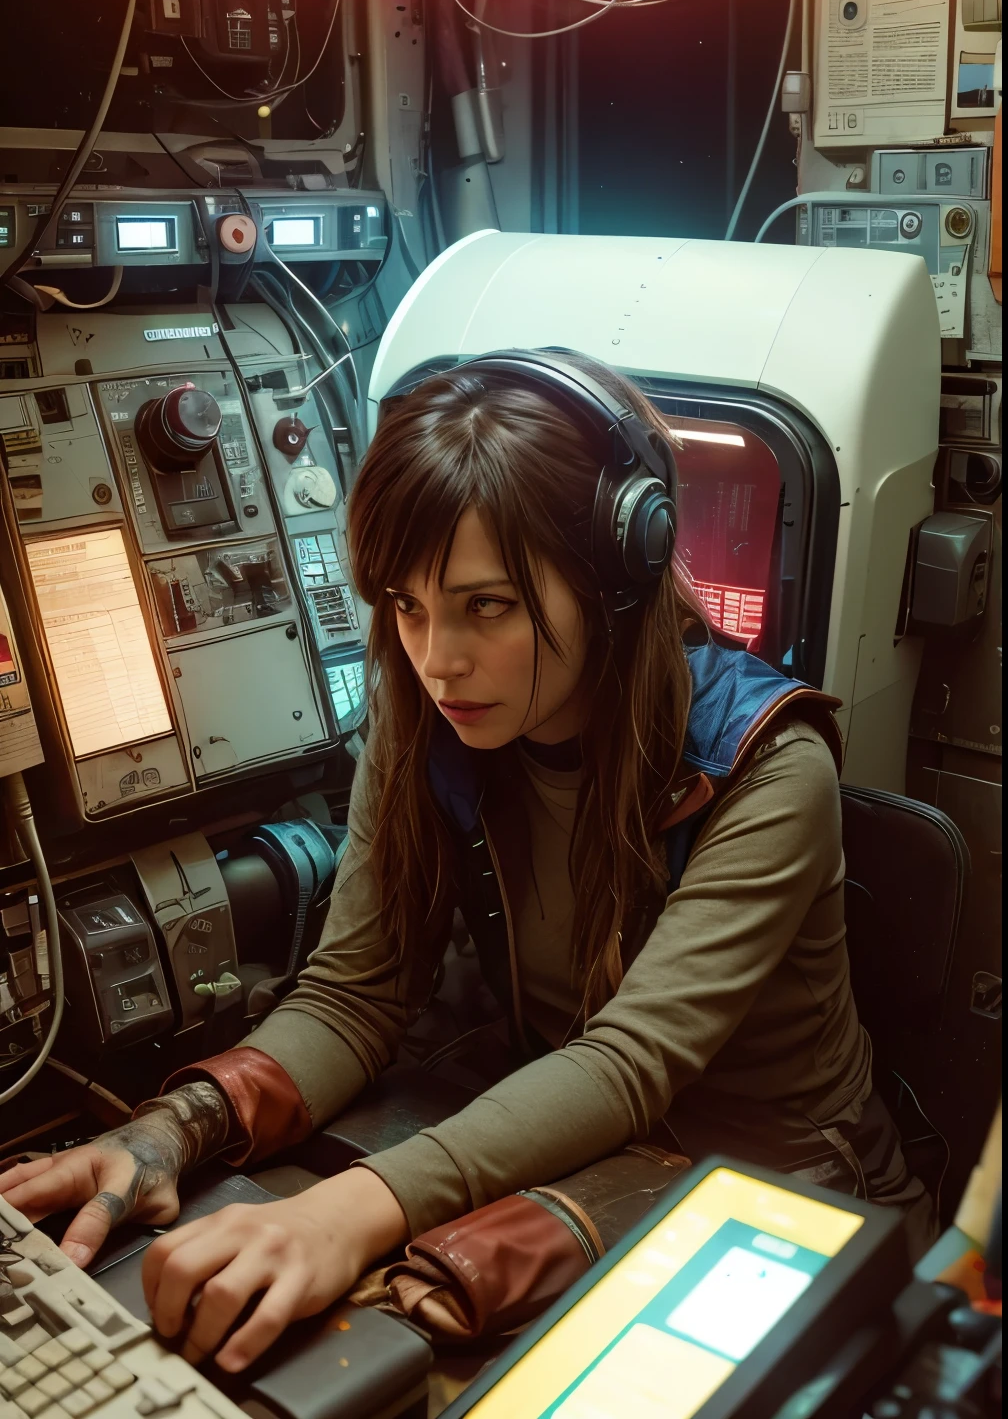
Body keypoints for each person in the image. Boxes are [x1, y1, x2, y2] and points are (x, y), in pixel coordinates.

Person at [0, 352, 931, 1373]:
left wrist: (343, 1217)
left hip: (780, 1186)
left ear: (611, 579)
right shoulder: (434, 710)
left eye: (485, 606)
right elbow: (357, 992)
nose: (437, 658)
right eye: (407, 604)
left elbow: (627, 1063)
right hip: (586, 1139)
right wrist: (175, 1128)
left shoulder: (766, 766)